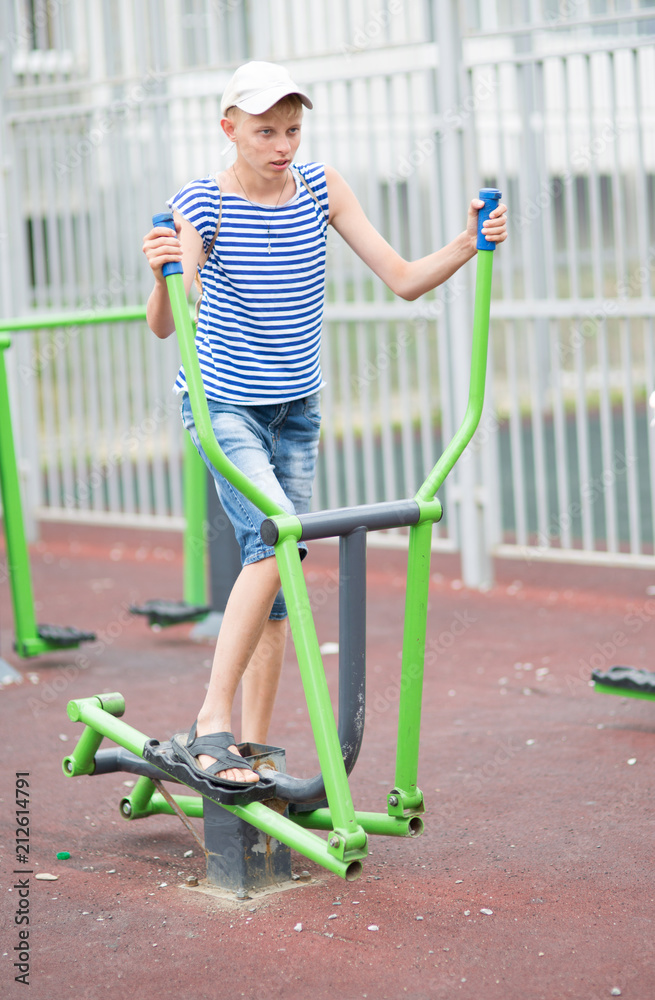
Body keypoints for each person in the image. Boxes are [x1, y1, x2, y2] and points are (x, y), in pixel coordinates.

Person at [142, 60, 507, 789]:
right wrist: (161, 277)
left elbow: (401, 279)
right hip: (223, 404)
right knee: (275, 542)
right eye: (265, 131)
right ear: (229, 130)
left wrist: (467, 245)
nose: (282, 145)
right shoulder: (200, 205)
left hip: (295, 408)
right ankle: (209, 724)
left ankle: (248, 746)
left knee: (280, 574)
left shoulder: (319, 187)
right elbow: (168, 325)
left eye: (292, 129)